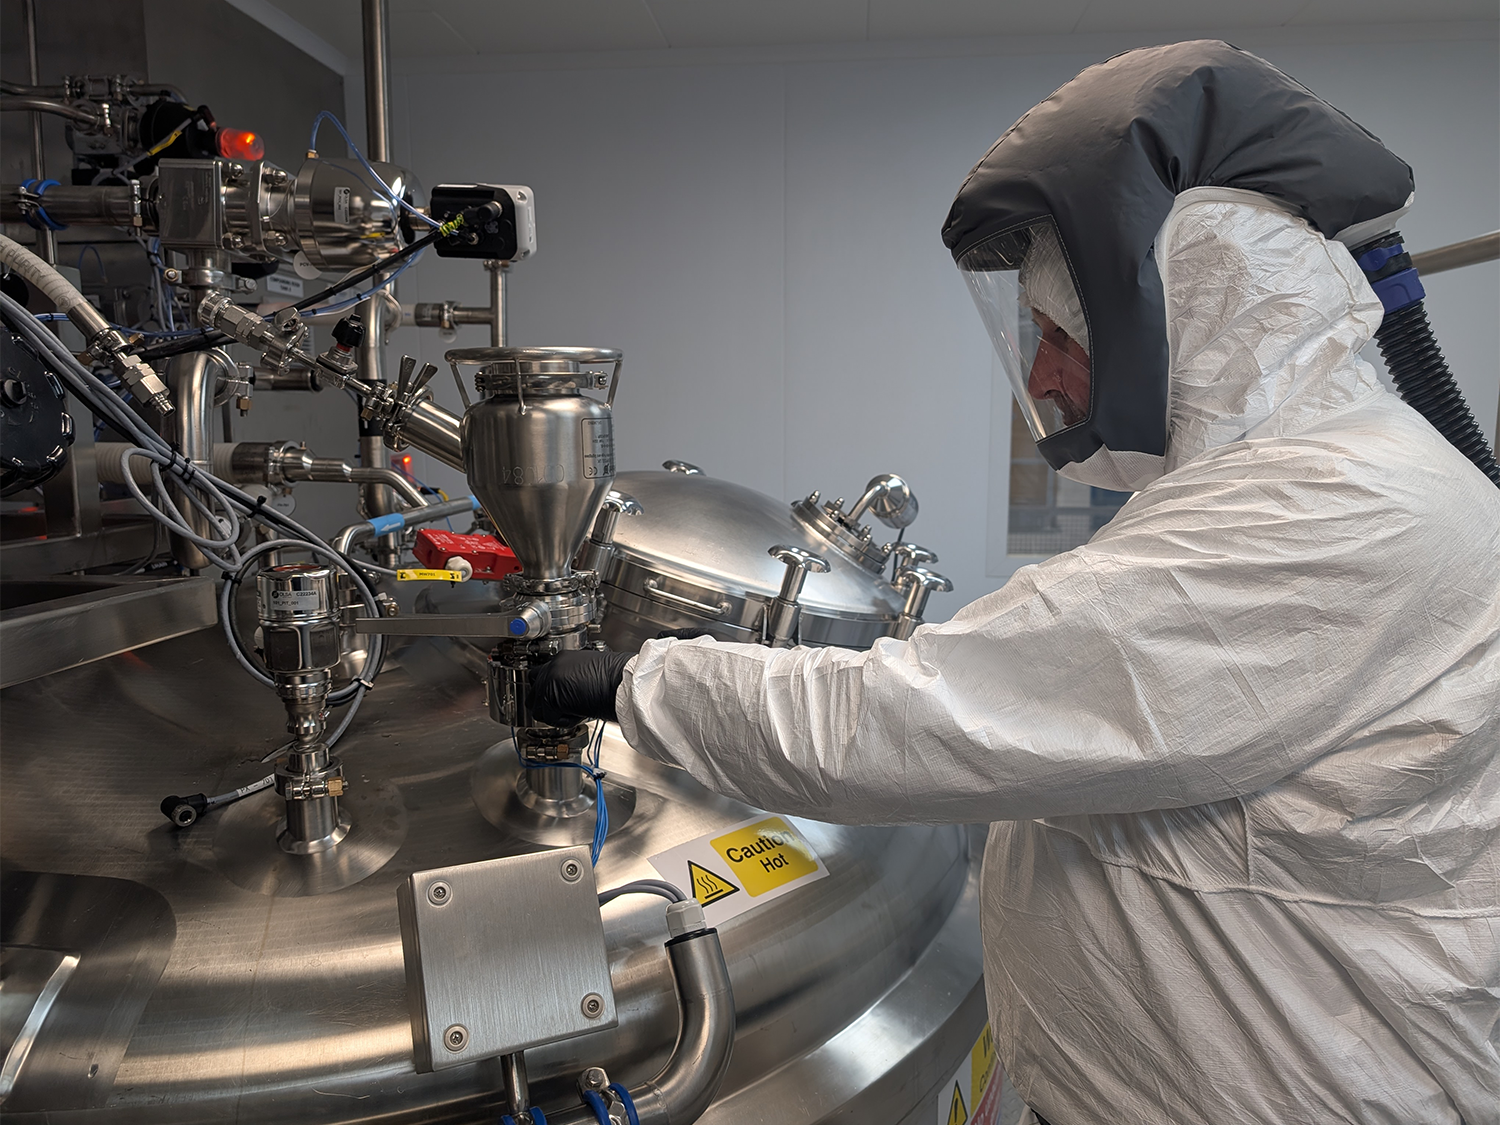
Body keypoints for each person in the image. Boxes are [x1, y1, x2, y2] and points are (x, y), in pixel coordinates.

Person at [532, 40, 1500, 1125]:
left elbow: (916, 720)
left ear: (1190, 314)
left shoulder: (1326, 512)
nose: (1037, 376)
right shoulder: (1330, 478)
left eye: (1058, 334)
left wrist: (629, 684)